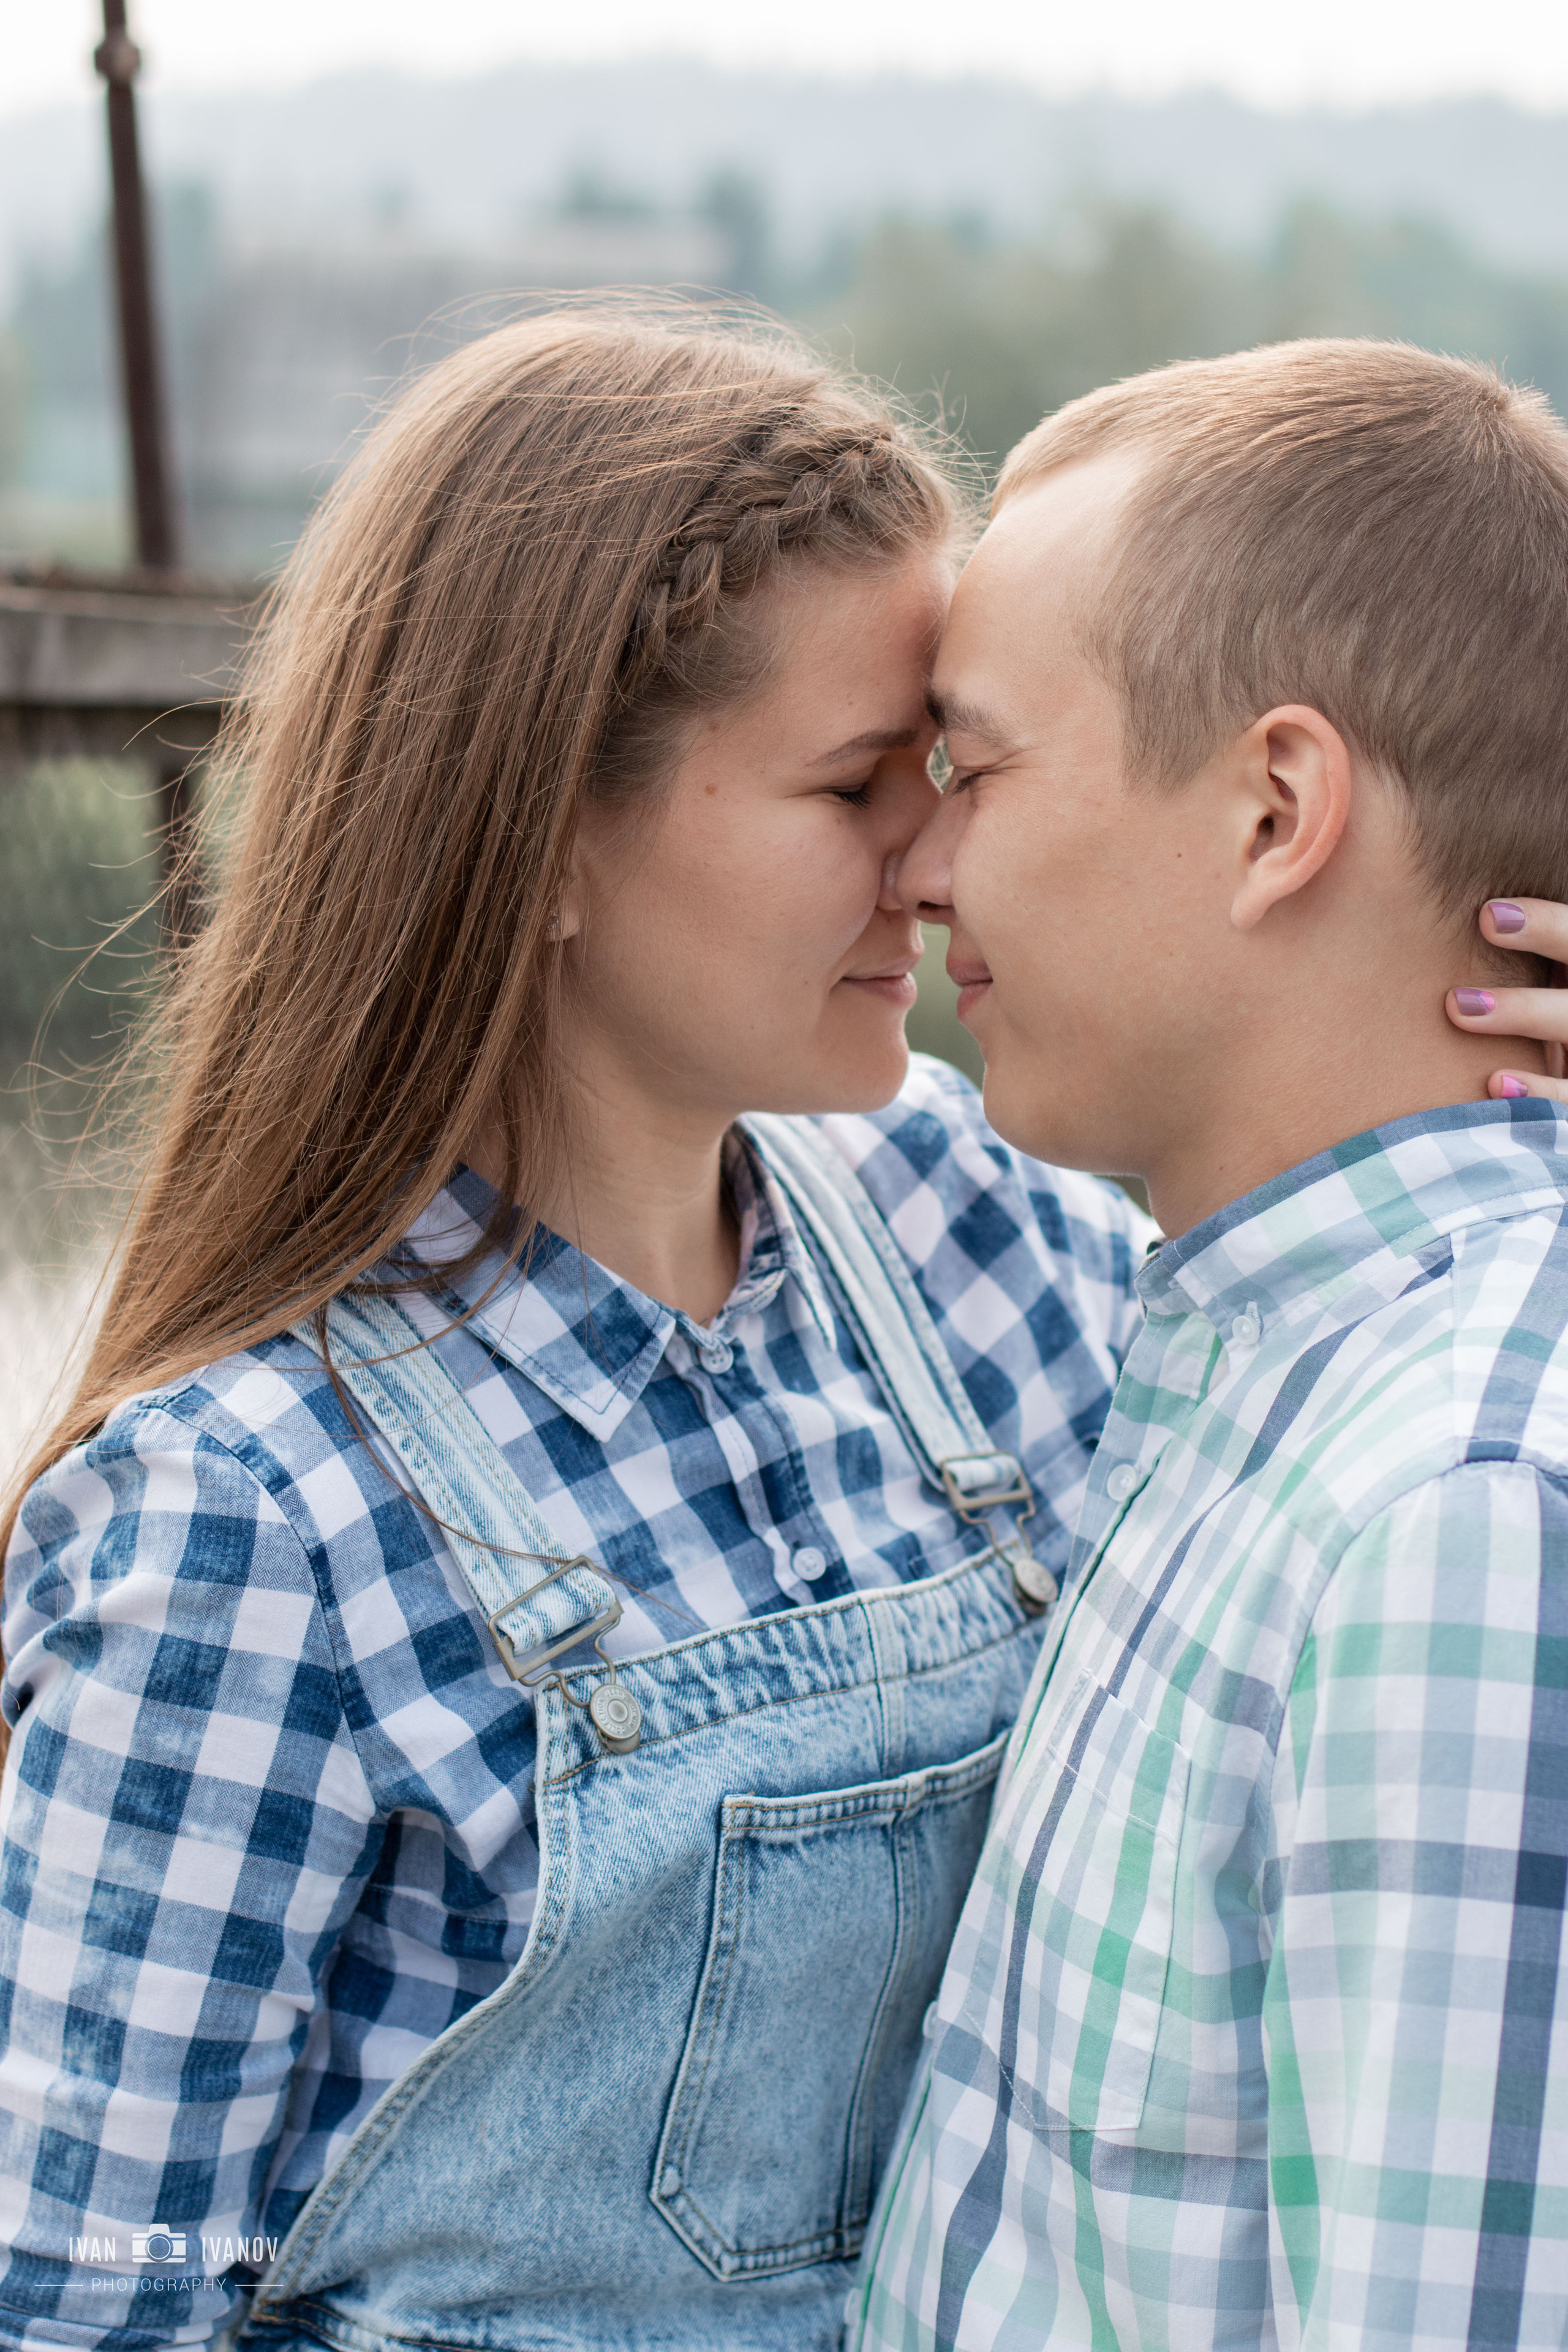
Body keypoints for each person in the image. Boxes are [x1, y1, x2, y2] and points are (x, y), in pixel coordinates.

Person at [0, 306, 1155, 2352]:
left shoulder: (966, 1224)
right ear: (537, 834)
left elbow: (1379, 1453)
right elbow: (71, 2307)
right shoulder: (241, 1526)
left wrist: (1476, 1095)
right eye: (855, 787)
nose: (945, 859)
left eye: (954, 773)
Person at [850, 339, 1568, 2351]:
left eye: (970, 771)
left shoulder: (1462, 1521)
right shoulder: (1242, 1369)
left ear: (1274, 810)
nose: (917, 866)